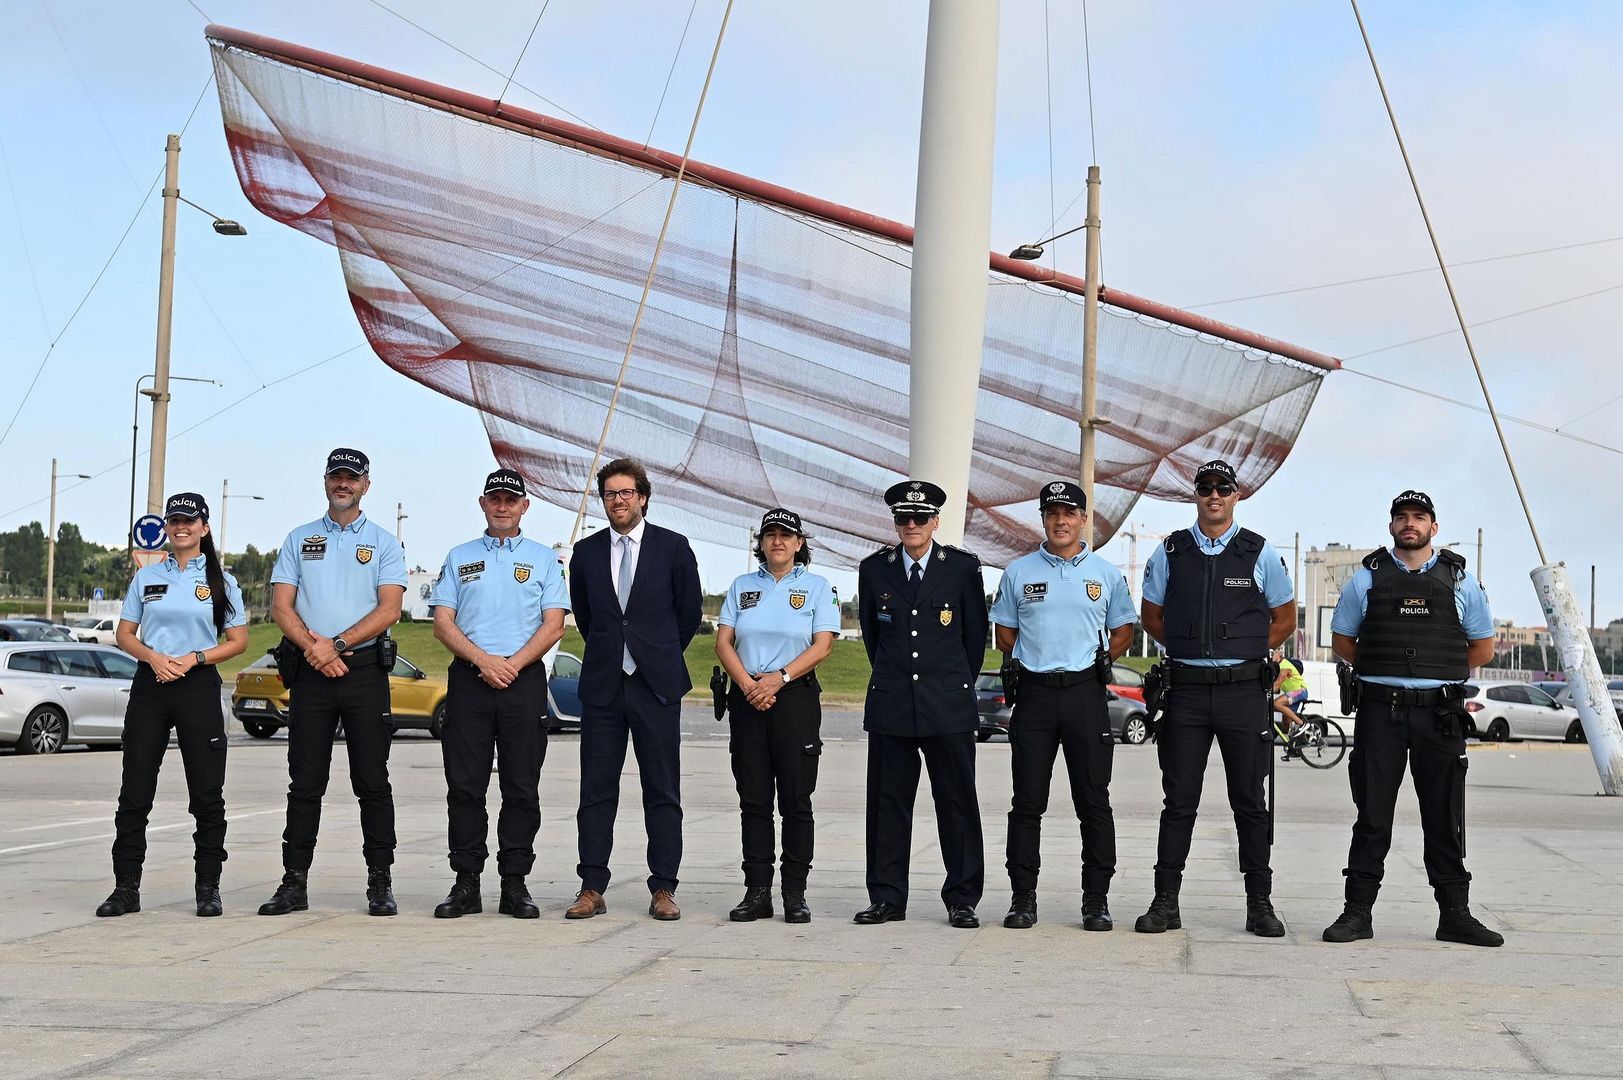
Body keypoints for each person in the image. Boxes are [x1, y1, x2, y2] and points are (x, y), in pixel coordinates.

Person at [1322, 490, 1503, 947]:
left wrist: (1435, 670)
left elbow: (1482, 649)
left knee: (1443, 816)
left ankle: (1455, 914)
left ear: (1433, 527)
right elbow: (1343, 642)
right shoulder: (1366, 579)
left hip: (1439, 715)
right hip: (1380, 712)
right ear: (1391, 526)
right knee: (1372, 815)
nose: (1410, 524)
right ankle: (1357, 913)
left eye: (1419, 517)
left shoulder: (1461, 581)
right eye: (1402, 517)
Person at [1135, 460, 1296, 937]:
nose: (1214, 496)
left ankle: (1259, 904)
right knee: (1179, 800)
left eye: (1223, 488)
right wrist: (1193, 647)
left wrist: (1245, 650)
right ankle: (1165, 901)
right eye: (1205, 488)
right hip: (1185, 692)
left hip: (1243, 693)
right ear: (1196, 495)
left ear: (1235, 495)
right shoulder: (1171, 551)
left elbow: (1285, 618)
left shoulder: (1259, 552)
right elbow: (1152, 616)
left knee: (1250, 800)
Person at [259, 448, 408, 917]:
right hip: (311, 671)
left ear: (366, 485)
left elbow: (390, 608)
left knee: (372, 781)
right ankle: (294, 882)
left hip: (363, 672)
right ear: (326, 481)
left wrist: (337, 645)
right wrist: (315, 649)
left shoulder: (384, 543)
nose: (344, 483)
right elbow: (281, 606)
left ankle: (380, 882)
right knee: (305, 782)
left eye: (352, 477)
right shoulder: (299, 538)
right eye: (337, 476)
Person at [991, 481, 1136, 931]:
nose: (1060, 521)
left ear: (1083, 519)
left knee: (1093, 800)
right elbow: (1004, 633)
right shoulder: (1018, 572)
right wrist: (1033, 657)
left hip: (1085, 694)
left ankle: (1096, 900)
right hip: (1034, 695)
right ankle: (1023, 898)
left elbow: (1124, 629)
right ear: (1042, 518)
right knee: (1027, 801)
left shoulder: (1106, 574)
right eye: (1052, 513)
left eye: (1069, 513)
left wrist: (1101, 660)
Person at [96, 493, 248, 918]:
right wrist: (154, 659)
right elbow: (125, 634)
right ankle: (126, 888)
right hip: (152, 685)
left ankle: (208, 888)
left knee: (207, 795)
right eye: (174, 520)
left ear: (204, 527)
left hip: (197, 685)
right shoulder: (147, 577)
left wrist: (195, 658)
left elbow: (238, 641)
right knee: (134, 793)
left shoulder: (222, 581)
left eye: (189, 520)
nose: (180, 527)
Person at [427, 470, 569, 919]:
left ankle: (515, 884)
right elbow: (442, 622)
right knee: (464, 786)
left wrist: (512, 664)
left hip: (522, 681)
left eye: (511, 499)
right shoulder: (460, 556)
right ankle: (466, 882)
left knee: (521, 787)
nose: (502, 506)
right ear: (483, 503)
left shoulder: (544, 559)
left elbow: (554, 625)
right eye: (495, 499)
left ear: (525, 506)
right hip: (470, 680)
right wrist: (483, 661)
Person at [566, 458, 702, 921]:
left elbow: (688, 616)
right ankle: (591, 886)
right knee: (595, 791)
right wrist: (616, 653)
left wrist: (653, 654)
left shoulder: (673, 547)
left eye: (626, 492)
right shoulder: (586, 553)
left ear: (642, 497)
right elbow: (587, 618)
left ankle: (663, 886)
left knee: (662, 790)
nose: (618, 500)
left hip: (655, 686)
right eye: (610, 494)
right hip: (604, 686)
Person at [854, 480, 989, 929]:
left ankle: (962, 898)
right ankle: (887, 897)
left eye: (920, 518)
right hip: (892, 702)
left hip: (947, 704)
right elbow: (874, 638)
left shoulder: (963, 568)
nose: (911, 525)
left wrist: (951, 684)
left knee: (957, 803)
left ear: (935, 522)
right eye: (903, 518)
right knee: (887, 804)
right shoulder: (875, 569)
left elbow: (974, 641)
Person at [715, 508, 840, 924]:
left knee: (796, 801)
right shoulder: (742, 585)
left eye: (786, 535)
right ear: (762, 543)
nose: (778, 541)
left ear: (799, 543)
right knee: (753, 800)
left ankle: (794, 893)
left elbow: (823, 645)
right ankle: (757, 892)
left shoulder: (818, 587)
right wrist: (749, 685)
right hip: (748, 698)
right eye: (770, 535)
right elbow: (724, 642)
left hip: (794, 698)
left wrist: (779, 679)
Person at [1271, 649, 1308, 736]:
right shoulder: (1278, 668)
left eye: (1272, 654)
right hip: (1292, 694)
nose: (1270, 657)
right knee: (1286, 722)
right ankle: (1294, 741)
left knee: (1276, 703)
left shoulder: (1284, 665)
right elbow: (1277, 690)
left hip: (1300, 691)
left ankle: (1301, 723)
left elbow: (1277, 685)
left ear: (1279, 654)